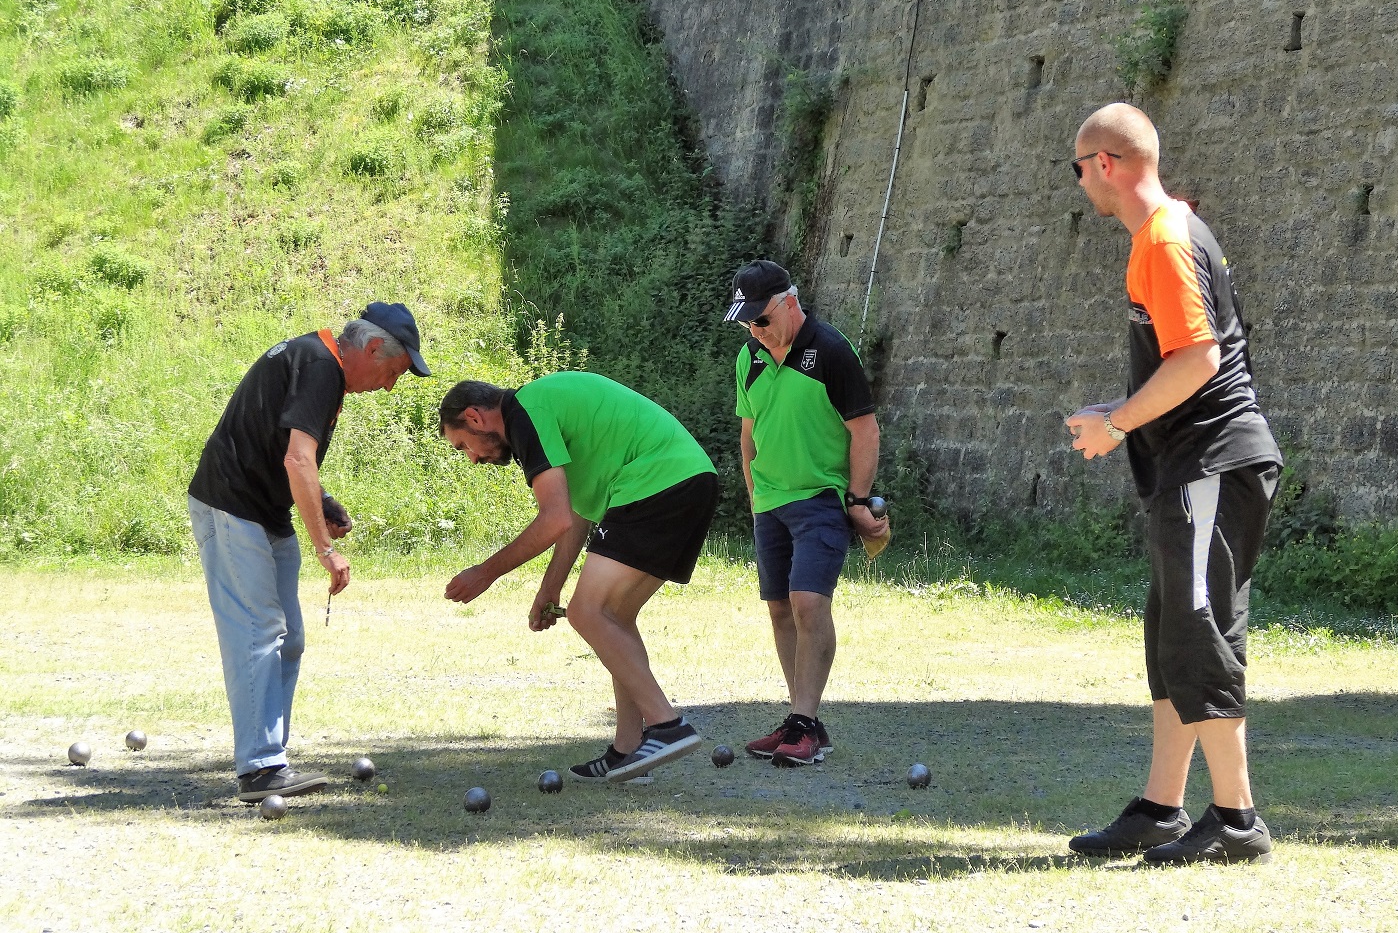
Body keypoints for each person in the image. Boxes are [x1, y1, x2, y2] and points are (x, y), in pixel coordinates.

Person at [1064, 103, 1283, 865]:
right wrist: (1118, 410)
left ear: (1107, 165)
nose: (1080, 183)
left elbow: (1199, 362)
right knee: (1171, 635)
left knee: (1200, 631)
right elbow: (1182, 359)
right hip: (1193, 468)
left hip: (1212, 465)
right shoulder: (1170, 231)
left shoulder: (1162, 235)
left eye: (1078, 167)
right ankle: (1161, 805)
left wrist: (1118, 424)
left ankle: (1236, 816)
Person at [188, 302, 430, 802]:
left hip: (264, 509)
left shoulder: (316, 361)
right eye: (394, 372)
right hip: (232, 505)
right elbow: (299, 458)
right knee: (259, 632)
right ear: (370, 348)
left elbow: (286, 452)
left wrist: (323, 503)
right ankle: (259, 768)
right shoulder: (322, 366)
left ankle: (270, 758)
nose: (389, 386)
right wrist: (325, 549)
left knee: (289, 638)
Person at [438, 372, 718, 783]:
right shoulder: (542, 407)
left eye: (464, 445)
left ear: (475, 418)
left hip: (657, 485)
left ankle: (667, 725)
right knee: (613, 618)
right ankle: (630, 748)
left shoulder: (525, 412)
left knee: (590, 613)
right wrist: (549, 589)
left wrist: (486, 572)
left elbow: (552, 519)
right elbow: (575, 515)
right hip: (686, 480)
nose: (473, 458)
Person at [722, 260, 888, 767]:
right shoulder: (749, 356)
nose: (755, 329)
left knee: (808, 603)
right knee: (778, 609)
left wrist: (857, 502)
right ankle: (802, 722)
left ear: (789, 303)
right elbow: (749, 433)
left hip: (820, 497)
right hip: (769, 503)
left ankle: (804, 724)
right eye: (747, 321)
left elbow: (865, 431)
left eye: (762, 319)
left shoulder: (832, 351)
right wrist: (754, 496)